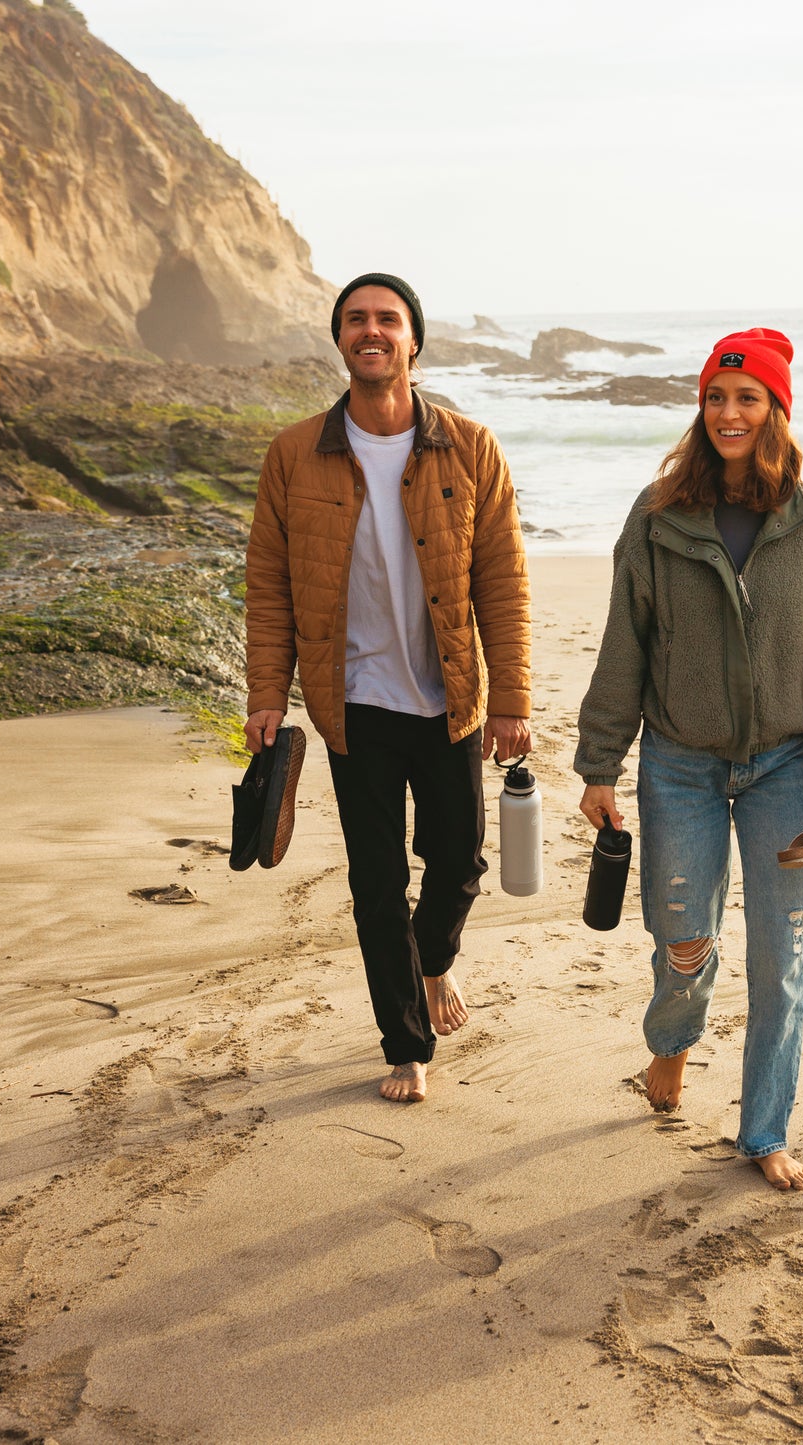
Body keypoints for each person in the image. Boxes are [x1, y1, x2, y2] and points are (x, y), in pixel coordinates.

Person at [575, 329, 803, 1191]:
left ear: (775, 410)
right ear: (700, 409)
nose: (729, 413)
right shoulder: (659, 514)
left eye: (747, 399)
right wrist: (600, 764)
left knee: (783, 950)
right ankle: (671, 1036)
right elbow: (622, 645)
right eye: (716, 398)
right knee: (684, 939)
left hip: (784, 764)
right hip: (679, 763)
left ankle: (764, 1130)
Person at [244, 271, 532, 1105]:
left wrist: (511, 699)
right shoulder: (294, 453)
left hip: (446, 699)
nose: (372, 331)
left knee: (459, 862)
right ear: (340, 340)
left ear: (413, 341)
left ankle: (431, 959)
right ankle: (405, 1042)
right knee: (375, 882)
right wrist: (269, 689)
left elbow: (502, 580)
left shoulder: (469, 446)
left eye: (388, 320)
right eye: (356, 320)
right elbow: (267, 582)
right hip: (353, 702)